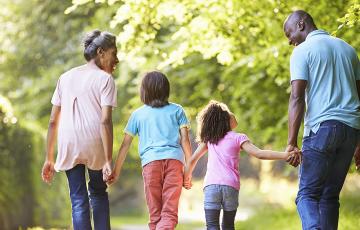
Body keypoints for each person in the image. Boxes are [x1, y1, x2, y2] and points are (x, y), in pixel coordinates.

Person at [284, 10, 360, 230]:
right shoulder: (348, 49)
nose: (289, 41)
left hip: (322, 130)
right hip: (350, 131)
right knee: (329, 196)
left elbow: (297, 98)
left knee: (306, 195)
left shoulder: (302, 51)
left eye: (289, 33)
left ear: (301, 24)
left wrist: (291, 142)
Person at [41, 29, 119, 230]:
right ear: (101, 52)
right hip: (94, 142)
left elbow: (52, 121)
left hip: (69, 142)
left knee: (78, 198)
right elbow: (105, 121)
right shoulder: (105, 80)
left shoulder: (65, 77)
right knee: (98, 193)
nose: (117, 59)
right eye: (114, 53)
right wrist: (108, 160)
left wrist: (49, 158)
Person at [183, 100, 298, 230]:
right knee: (228, 226)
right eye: (229, 112)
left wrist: (186, 178)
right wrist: (285, 155)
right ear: (225, 119)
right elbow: (259, 153)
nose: (233, 115)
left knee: (212, 226)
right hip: (230, 186)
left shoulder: (210, 139)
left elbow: (192, 160)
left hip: (211, 186)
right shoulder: (238, 138)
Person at [106, 71, 192, 230]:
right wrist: (188, 170)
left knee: (155, 214)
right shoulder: (177, 110)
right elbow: (185, 141)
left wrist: (116, 171)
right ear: (166, 89)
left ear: (144, 91)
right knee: (169, 213)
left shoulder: (138, 114)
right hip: (174, 162)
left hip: (151, 164)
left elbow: (125, 145)